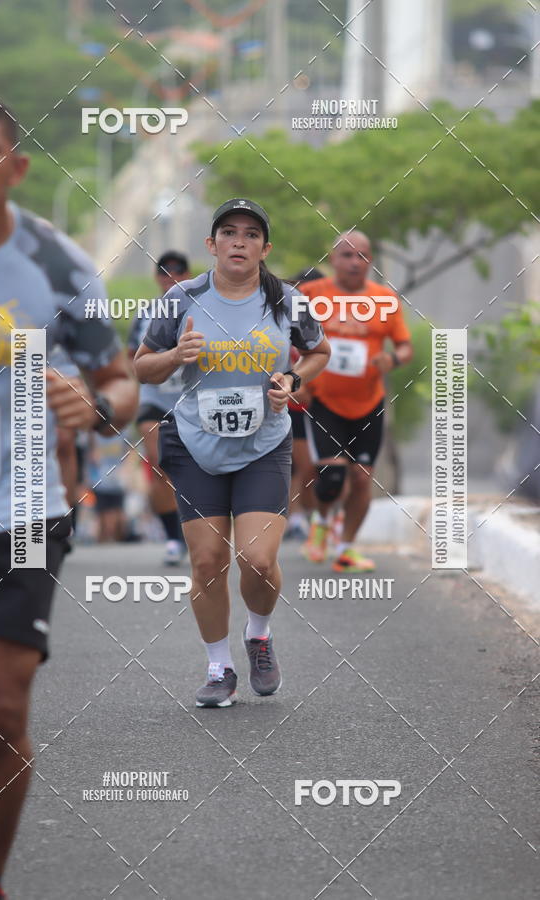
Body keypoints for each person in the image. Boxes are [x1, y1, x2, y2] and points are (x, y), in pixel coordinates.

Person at [0, 92, 137, 899]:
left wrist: (90, 407)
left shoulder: (57, 266)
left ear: (14, 167)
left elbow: (121, 385)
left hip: (20, 512)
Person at [134, 198, 330, 708]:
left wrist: (293, 378)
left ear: (265, 248)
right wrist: (175, 355)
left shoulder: (288, 302)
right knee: (206, 561)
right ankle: (219, 668)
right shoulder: (181, 299)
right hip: (194, 443)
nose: (238, 242)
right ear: (212, 244)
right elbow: (141, 367)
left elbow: (320, 351)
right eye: (228, 232)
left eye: (249, 234)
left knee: (258, 561)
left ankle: (258, 635)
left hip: (263, 444)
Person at [300, 231, 413, 572]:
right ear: (333, 259)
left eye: (361, 255)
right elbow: (284, 339)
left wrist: (392, 360)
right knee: (332, 478)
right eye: (347, 255)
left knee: (362, 479)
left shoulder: (384, 299)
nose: (354, 262)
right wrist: (296, 377)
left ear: (370, 261)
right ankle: (321, 523)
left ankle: (346, 548)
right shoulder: (310, 295)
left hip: (368, 402)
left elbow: (405, 347)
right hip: (324, 401)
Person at [128, 252, 191, 565]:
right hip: (155, 400)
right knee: (161, 463)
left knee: (195, 470)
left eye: (178, 272)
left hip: (191, 402)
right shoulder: (145, 314)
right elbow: (131, 358)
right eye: (165, 272)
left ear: (187, 275)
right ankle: (171, 538)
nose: (171, 277)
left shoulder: (200, 308)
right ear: (157, 277)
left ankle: (196, 529)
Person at [284, 269, 324, 539]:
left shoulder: (328, 322)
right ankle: (297, 517)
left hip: (323, 406)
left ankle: (316, 516)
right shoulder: (284, 322)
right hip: (293, 406)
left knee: (316, 467)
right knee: (297, 465)